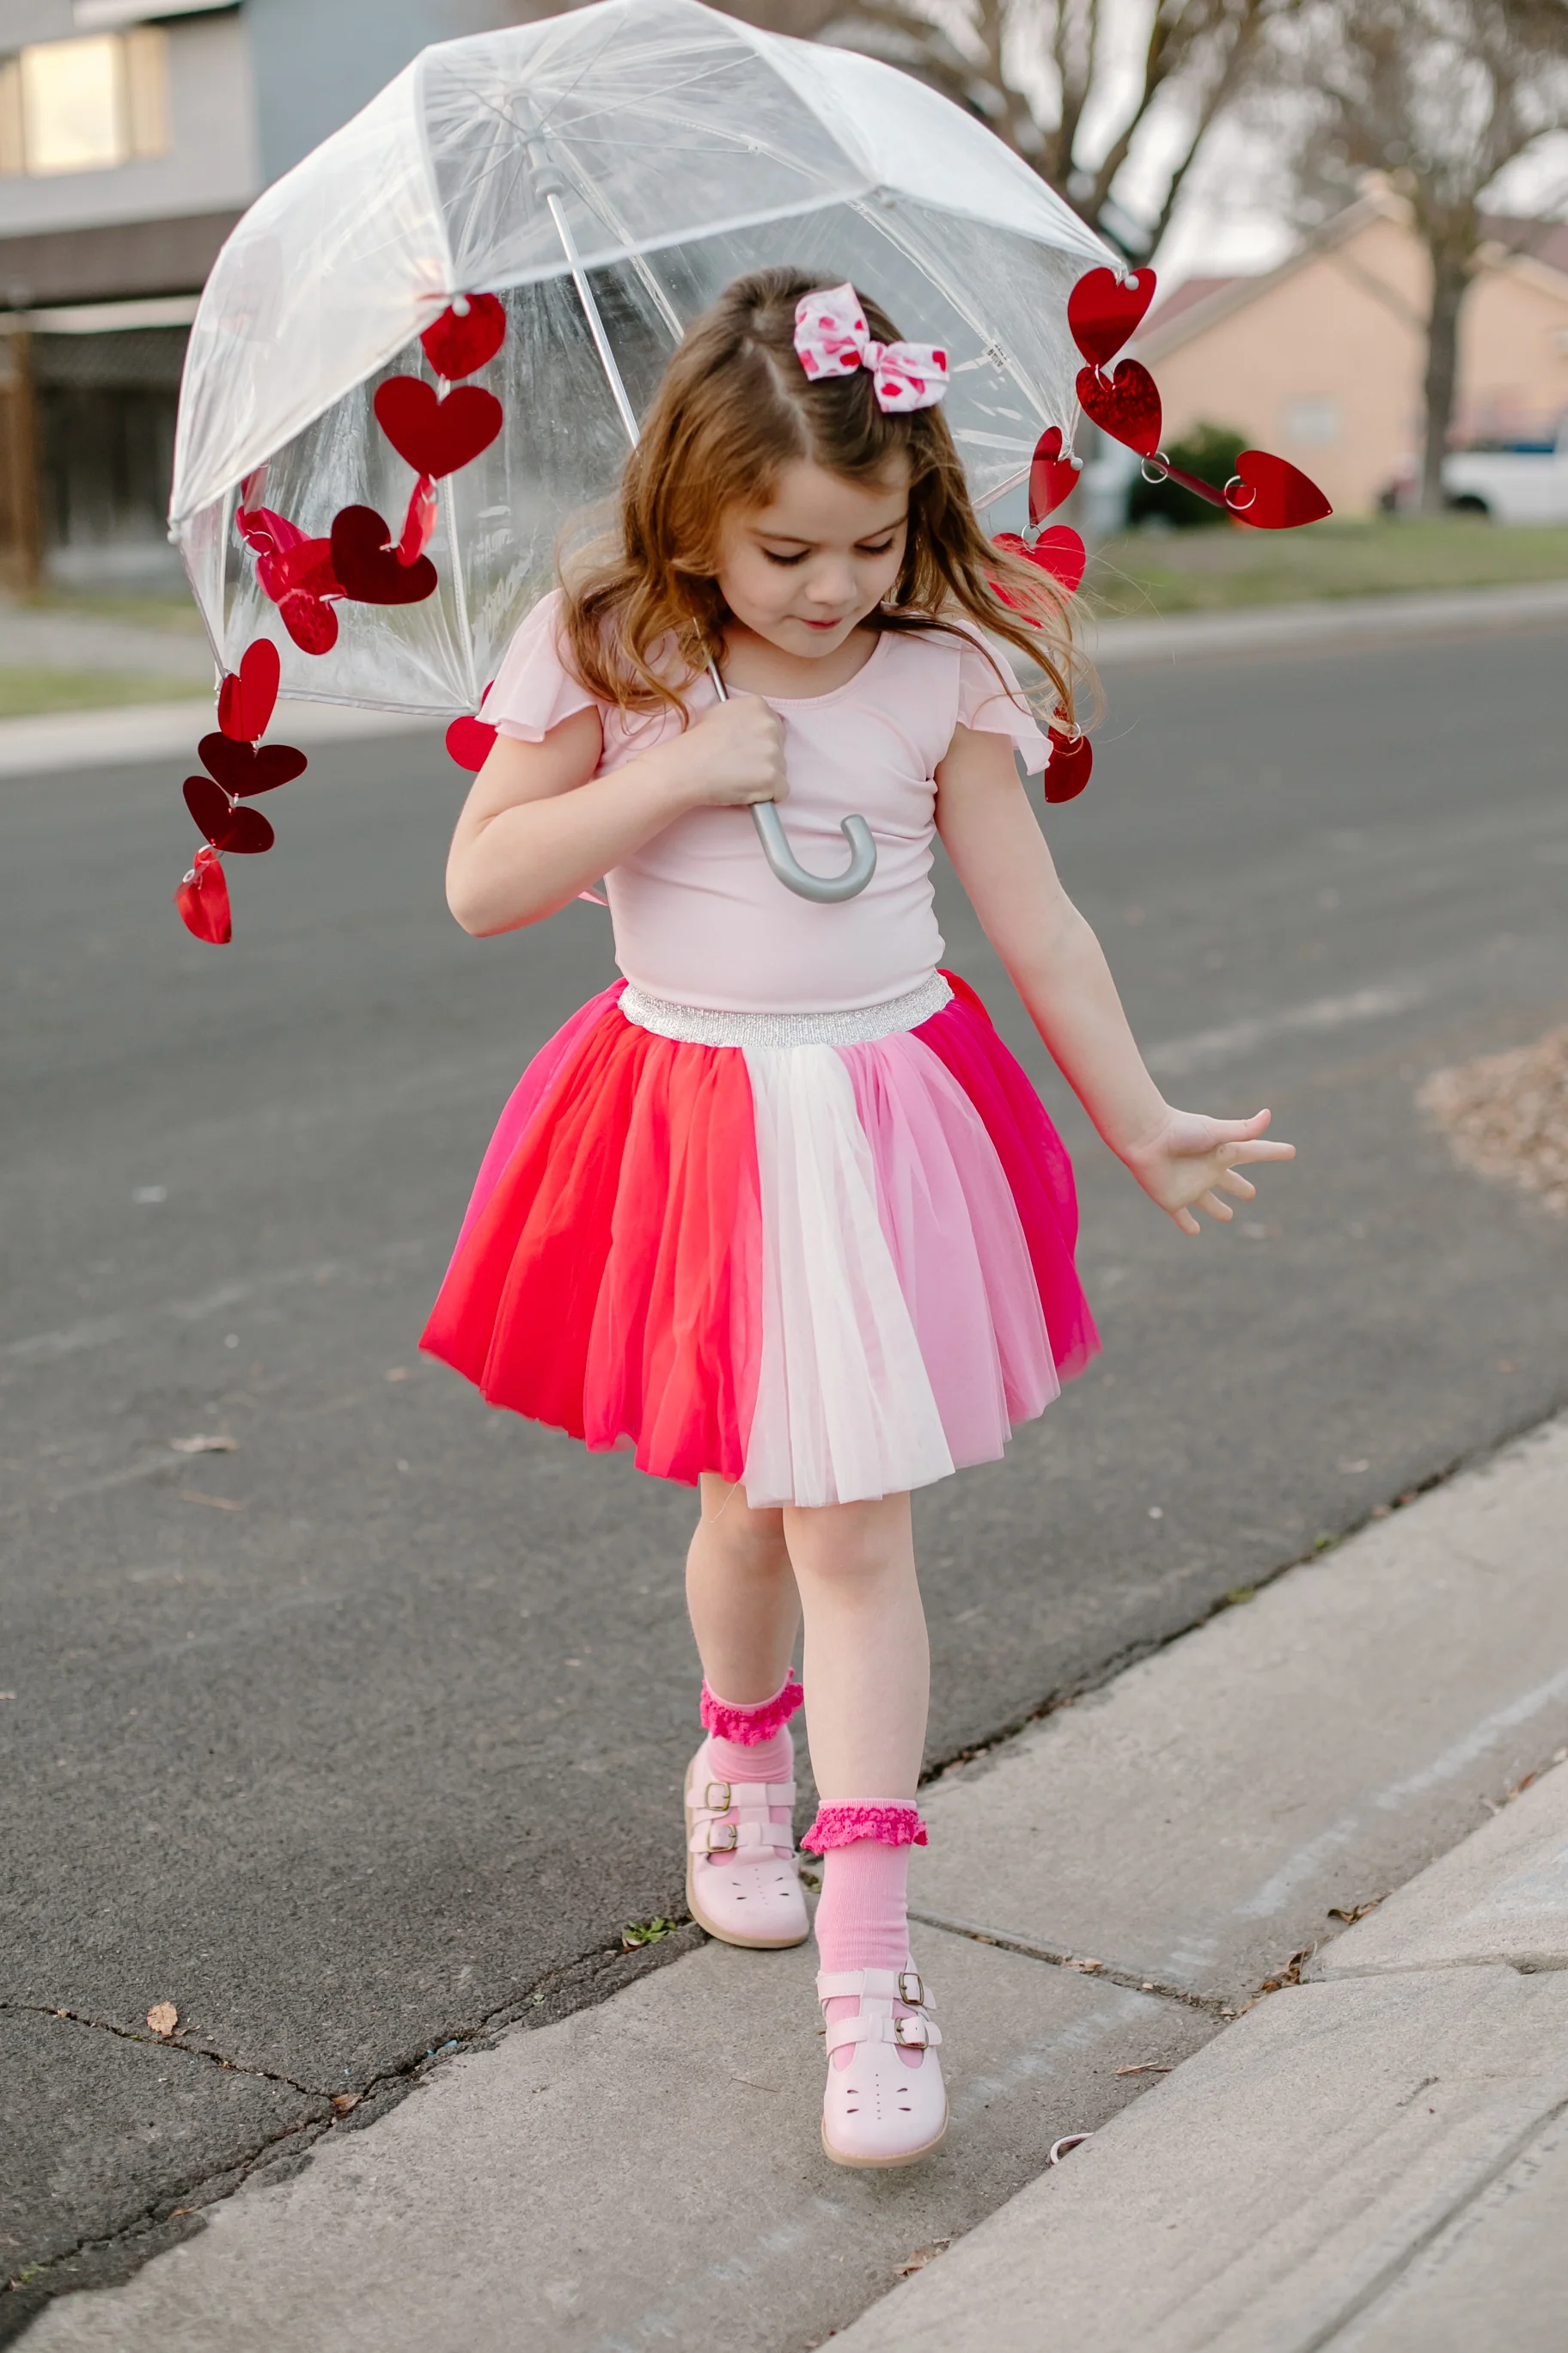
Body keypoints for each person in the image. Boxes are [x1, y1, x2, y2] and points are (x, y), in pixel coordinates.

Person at [423, 269, 1292, 2167]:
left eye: (871, 542)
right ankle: (738, 1753)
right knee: (745, 1507)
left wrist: (1137, 1116)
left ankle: (874, 1959)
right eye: (787, 549)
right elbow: (483, 882)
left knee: (856, 1531)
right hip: (693, 1116)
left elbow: (1034, 919)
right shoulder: (609, 650)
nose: (831, 588)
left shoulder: (939, 671)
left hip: (883, 1110)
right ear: (690, 515)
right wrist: (666, 776)